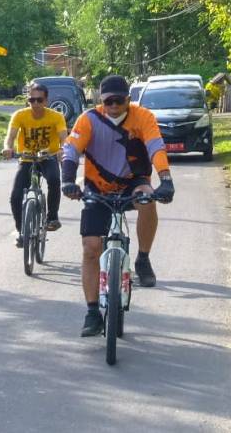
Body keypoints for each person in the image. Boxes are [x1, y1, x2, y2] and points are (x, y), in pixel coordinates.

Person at [61, 74, 175, 337]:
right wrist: (68, 181)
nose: (113, 106)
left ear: (129, 99)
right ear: (101, 101)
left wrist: (166, 179)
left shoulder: (143, 117)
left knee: (147, 198)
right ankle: (92, 312)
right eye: (108, 101)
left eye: (119, 101)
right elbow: (71, 150)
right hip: (97, 187)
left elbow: (156, 146)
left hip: (133, 181)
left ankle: (143, 259)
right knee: (91, 248)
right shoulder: (89, 119)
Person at [2, 82, 68, 247]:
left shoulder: (56, 117)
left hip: (48, 157)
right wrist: (7, 148)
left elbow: (64, 138)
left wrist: (62, 150)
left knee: (54, 179)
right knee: (15, 196)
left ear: (46, 100)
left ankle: (52, 217)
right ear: (28, 100)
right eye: (32, 100)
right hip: (27, 158)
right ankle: (21, 231)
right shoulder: (19, 115)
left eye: (40, 100)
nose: (36, 104)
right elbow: (10, 137)